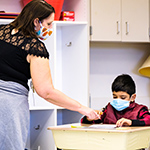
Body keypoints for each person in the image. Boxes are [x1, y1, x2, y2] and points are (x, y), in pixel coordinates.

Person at [0, 0, 99, 149]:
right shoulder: (34, 47)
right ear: (36, 21)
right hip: (9, 105)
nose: (51, 28)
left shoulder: (2, 31)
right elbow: (46, 91)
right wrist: (82, 108)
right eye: (48, 24)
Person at [81, 74, 150, 127]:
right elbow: (85, 123)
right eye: (115, 97)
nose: (118, 100)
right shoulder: (108, 109)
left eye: (123, 97)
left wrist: (131, 122)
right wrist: (89, 118)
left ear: (132, 97)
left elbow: (148, 120)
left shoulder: (140, 110)